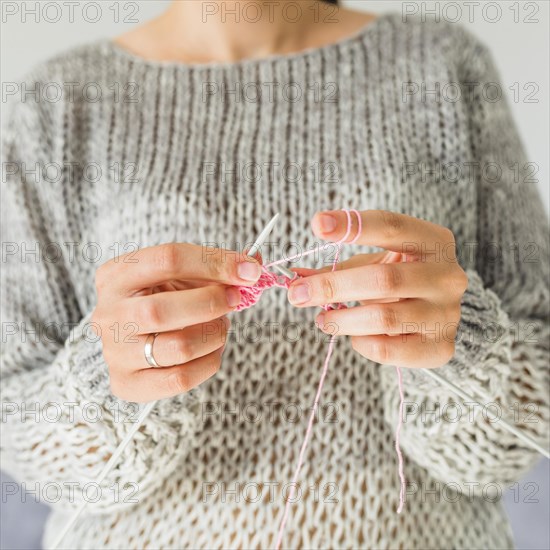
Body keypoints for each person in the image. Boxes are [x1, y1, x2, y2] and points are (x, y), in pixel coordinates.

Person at [2, 1, 548, 548]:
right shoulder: (61, 101)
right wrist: (108, 378)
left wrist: (465, 346)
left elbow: (525, 423)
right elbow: (18, 426)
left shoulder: (442, 63)